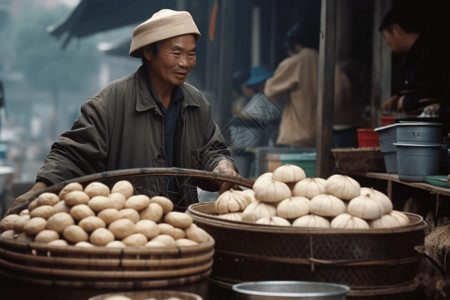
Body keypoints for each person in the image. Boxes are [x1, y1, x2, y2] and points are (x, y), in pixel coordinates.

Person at [11, 9, 238, 213]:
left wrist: (222, 166)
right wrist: (38, 190)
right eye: (176, 53)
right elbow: (73, 154)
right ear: (149, 53)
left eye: (191, 54)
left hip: (182, 227)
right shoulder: (110, 102)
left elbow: (212, 149)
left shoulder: (196, 103)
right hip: (126, 227)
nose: (185, 63)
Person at [263, 22, 352, 148]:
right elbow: (345, 97)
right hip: (325, 139)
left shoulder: (294, 63)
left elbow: (270, 92)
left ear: (296, 44)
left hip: (296, 138)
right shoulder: (334, 68)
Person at [378, 8, 449, 115]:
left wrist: (406, 102)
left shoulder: (433, 50)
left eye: (385, 37)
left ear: (396, 29)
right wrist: (397, 99)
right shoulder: (409, 57)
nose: (386, 42)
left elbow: (435, 96)